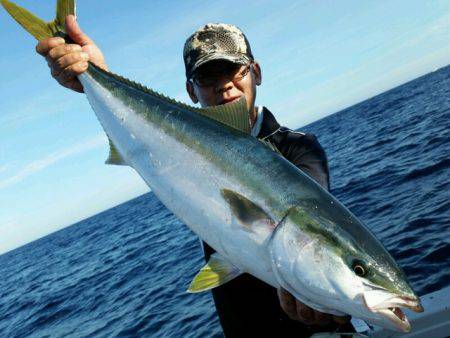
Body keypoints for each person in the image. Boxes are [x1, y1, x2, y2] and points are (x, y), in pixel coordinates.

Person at [36, 16, 355, 337]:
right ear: (191, 91)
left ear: (255, 72)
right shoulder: (181, 151)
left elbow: (314, 228)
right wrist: (94, 75)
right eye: (207, 77)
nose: (224, 84)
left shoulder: (299, 149)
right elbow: (141, 128)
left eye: (234, 69)